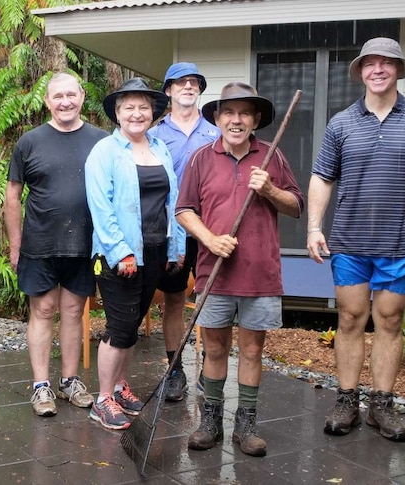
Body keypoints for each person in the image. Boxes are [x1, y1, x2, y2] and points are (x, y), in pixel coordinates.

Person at [308, 37, 405, 443]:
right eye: (370, 63)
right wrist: (315, 227)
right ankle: (347, 400)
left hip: (400, 241)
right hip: (350, 241)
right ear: (361, 72)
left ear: (399, 69)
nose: (378, 69)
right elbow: (322, 177)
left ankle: (382, 405)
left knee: (389, 320)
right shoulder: (341, 123)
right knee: (350, 318)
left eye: (386, 63)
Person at [176, 82, 303, 456]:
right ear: (216, 118)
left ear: (256, 119)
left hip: (260, 274)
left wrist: (269, 191)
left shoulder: (272, 157)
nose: (236, 120)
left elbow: (296, 205)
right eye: (228, 112)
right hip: (213, 273)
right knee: (214, 349)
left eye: (244, 113)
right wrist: (210, 239)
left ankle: (245, 425)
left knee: (252, 350)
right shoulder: (201, 158)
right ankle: (211, 420)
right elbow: (184, 210)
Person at [5, 73, 108, 417]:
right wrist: (15, 245)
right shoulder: (30, 142)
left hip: (83, 243)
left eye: (71, 95)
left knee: (74, 312)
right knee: (43, 311)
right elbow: (13, 196)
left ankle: (69, 381)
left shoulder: (101, 140)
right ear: (47, 102)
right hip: (40, 243)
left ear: (82, 96)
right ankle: (40, 386)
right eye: (57, 96)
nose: (65, 102)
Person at [85, 78, 183, 430]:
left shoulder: (160, 148)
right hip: (119, 255)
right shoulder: (105, 152)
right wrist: (120, 251)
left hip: (156, 251)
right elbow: (101, 208)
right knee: (121, 327)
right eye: (129, 107)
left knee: (134, 323)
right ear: (117, 112)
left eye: (144, 107)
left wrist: (176, 246)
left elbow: (172, 201)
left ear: (153, 112)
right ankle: (103, 399)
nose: (137, 113)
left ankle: (120, 386)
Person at [148, 62, 221, 402]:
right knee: (174, 301)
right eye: (181, 83)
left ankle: (212, 368)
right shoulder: (155, 135)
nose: (188, 87)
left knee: (213, 301)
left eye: (194, 83)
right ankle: (174, 369)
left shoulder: (216, 132)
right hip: (171, 232)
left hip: (210, 230)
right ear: (169, 91)